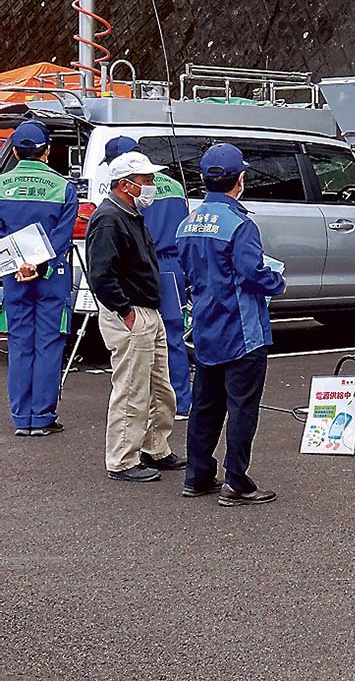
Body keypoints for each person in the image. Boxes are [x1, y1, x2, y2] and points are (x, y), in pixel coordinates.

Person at [176, 143, 285, 505]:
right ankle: (236, 481)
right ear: (240, 180)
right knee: (241, 408)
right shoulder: (240, 224)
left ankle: (197, 475)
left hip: (206, 327)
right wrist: (277, 281)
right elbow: (253, 273)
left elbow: (187, 272)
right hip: (243, 332)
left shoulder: (188, 222)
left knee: (205, 406)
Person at [86, 150, 185, 482]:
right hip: (131, 312)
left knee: (159, 386)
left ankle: (155, 447)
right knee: (131, 389)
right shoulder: (109, 218)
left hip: (145, 310)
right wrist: (125, 311)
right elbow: (101, 274)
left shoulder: (128, 213)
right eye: (146, 180)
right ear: (126, 185)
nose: (152, 185)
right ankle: (122, 460)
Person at [101, 136, 192, 419]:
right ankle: (181, 402)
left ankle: (149, 404)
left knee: (140, 340)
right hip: (173, 265)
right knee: (173, 338)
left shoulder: (128, 193)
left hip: (142, 269)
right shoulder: (175, 185)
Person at [0, 120, 76, 437]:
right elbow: (62, 237)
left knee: (19, 344)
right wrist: (36, 264)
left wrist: (19, 264)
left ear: (15, 151)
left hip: (13, 276)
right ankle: (42, 416)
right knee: (48, 343)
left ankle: (21, 418)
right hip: (51, 276)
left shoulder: (1, 184)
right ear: (47, 152)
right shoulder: (63, 187)